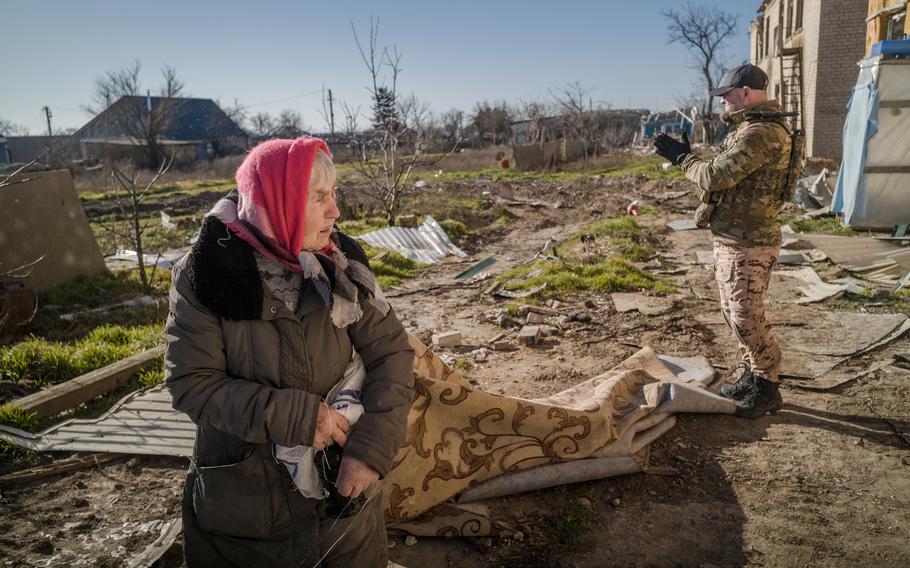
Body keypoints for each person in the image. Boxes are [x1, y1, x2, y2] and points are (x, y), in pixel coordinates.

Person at [164, 136, 414, 567]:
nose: (335, 211)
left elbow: (391, 352)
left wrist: (370, 448)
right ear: (276, 202)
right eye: (318, 197)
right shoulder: (207, 272)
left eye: (334, 194)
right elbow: (191, 384)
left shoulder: (341, 262)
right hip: (248, 516)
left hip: (342, 509)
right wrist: (299, 418)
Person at [654, 64, 792, 419]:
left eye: (727, 97)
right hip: (735, 236)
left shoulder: (760, 132)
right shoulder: (751, 128)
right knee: (733, 313)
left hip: (750, 240)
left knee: (746, 315)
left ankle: (767, 385)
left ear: (745, 93)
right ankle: (754, 373)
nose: (723, 105)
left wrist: (682, 159)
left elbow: (715, 177)